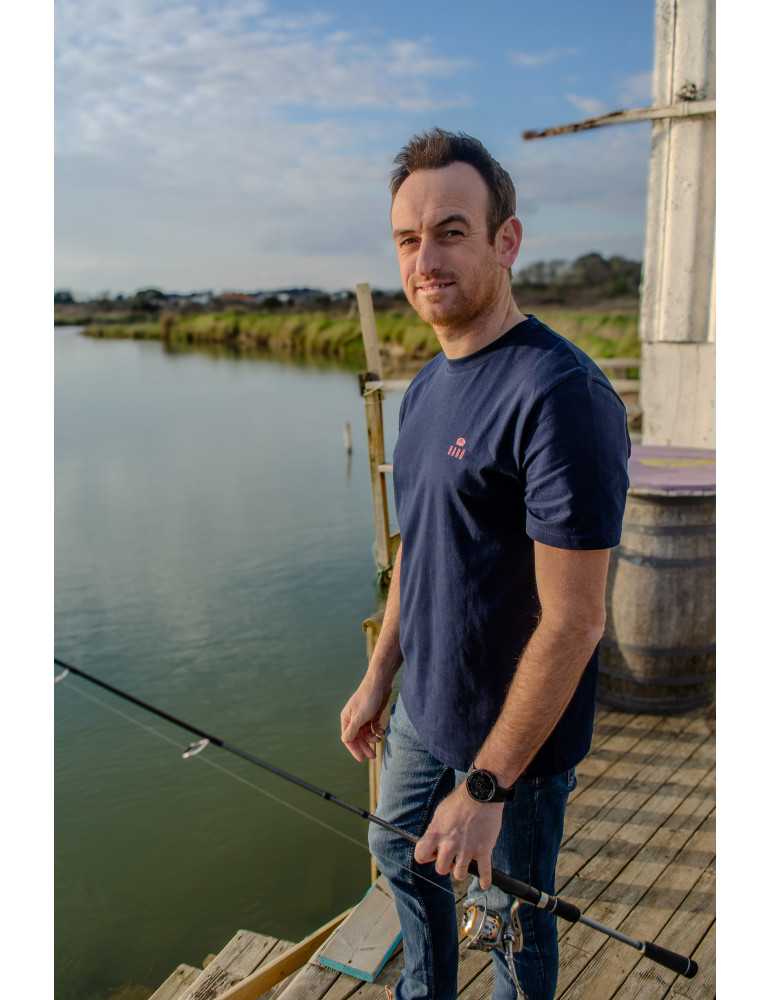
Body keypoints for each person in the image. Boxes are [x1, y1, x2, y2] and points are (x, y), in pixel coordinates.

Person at [340, 128, 631, 1000]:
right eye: (407, 239)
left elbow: (575, 620)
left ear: (506, 241)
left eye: (451, 232)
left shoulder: (559, 396)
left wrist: (485, 785)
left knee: (511, 924)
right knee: (398, 850)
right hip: (424, 708)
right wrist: (379, 673)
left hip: (514, 746)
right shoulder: (428, 384)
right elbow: (417, 548)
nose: (424, 260)